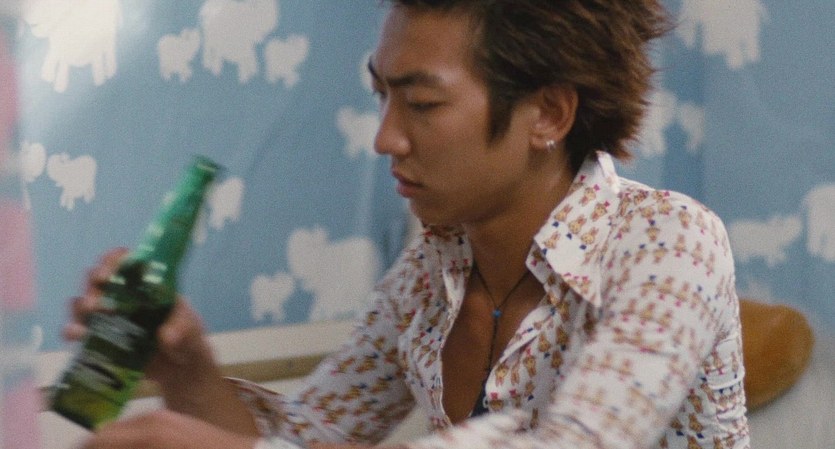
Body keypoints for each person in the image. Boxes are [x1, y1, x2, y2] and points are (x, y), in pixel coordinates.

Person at [68, 1, 750, 448]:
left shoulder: (671, 241)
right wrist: (189, 370)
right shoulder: (430, 273)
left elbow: (580, 441)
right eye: (382, 96)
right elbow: (307, 438)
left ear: (548, 114)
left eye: (421, 104)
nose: (385, 138)